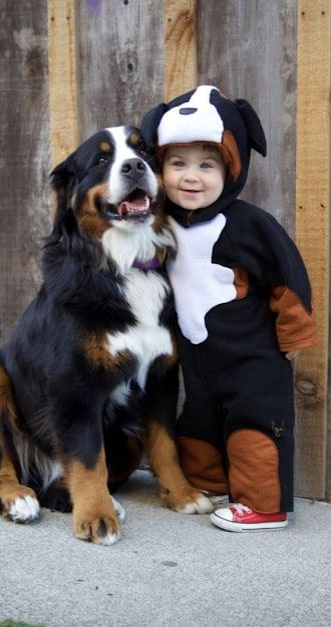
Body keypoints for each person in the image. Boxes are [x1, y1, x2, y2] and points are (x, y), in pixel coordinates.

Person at [140, 85, 316, 532]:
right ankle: (207, 484)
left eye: (207, 164)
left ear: (233, 167)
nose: (191, 177)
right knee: (198, 423)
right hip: (199, 364)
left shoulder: (248, 225)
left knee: (253, 427)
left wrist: (294, 335)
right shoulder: (163, 222)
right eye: (177, 164)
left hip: (252, 360)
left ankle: (264, 506)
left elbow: (286, 278)